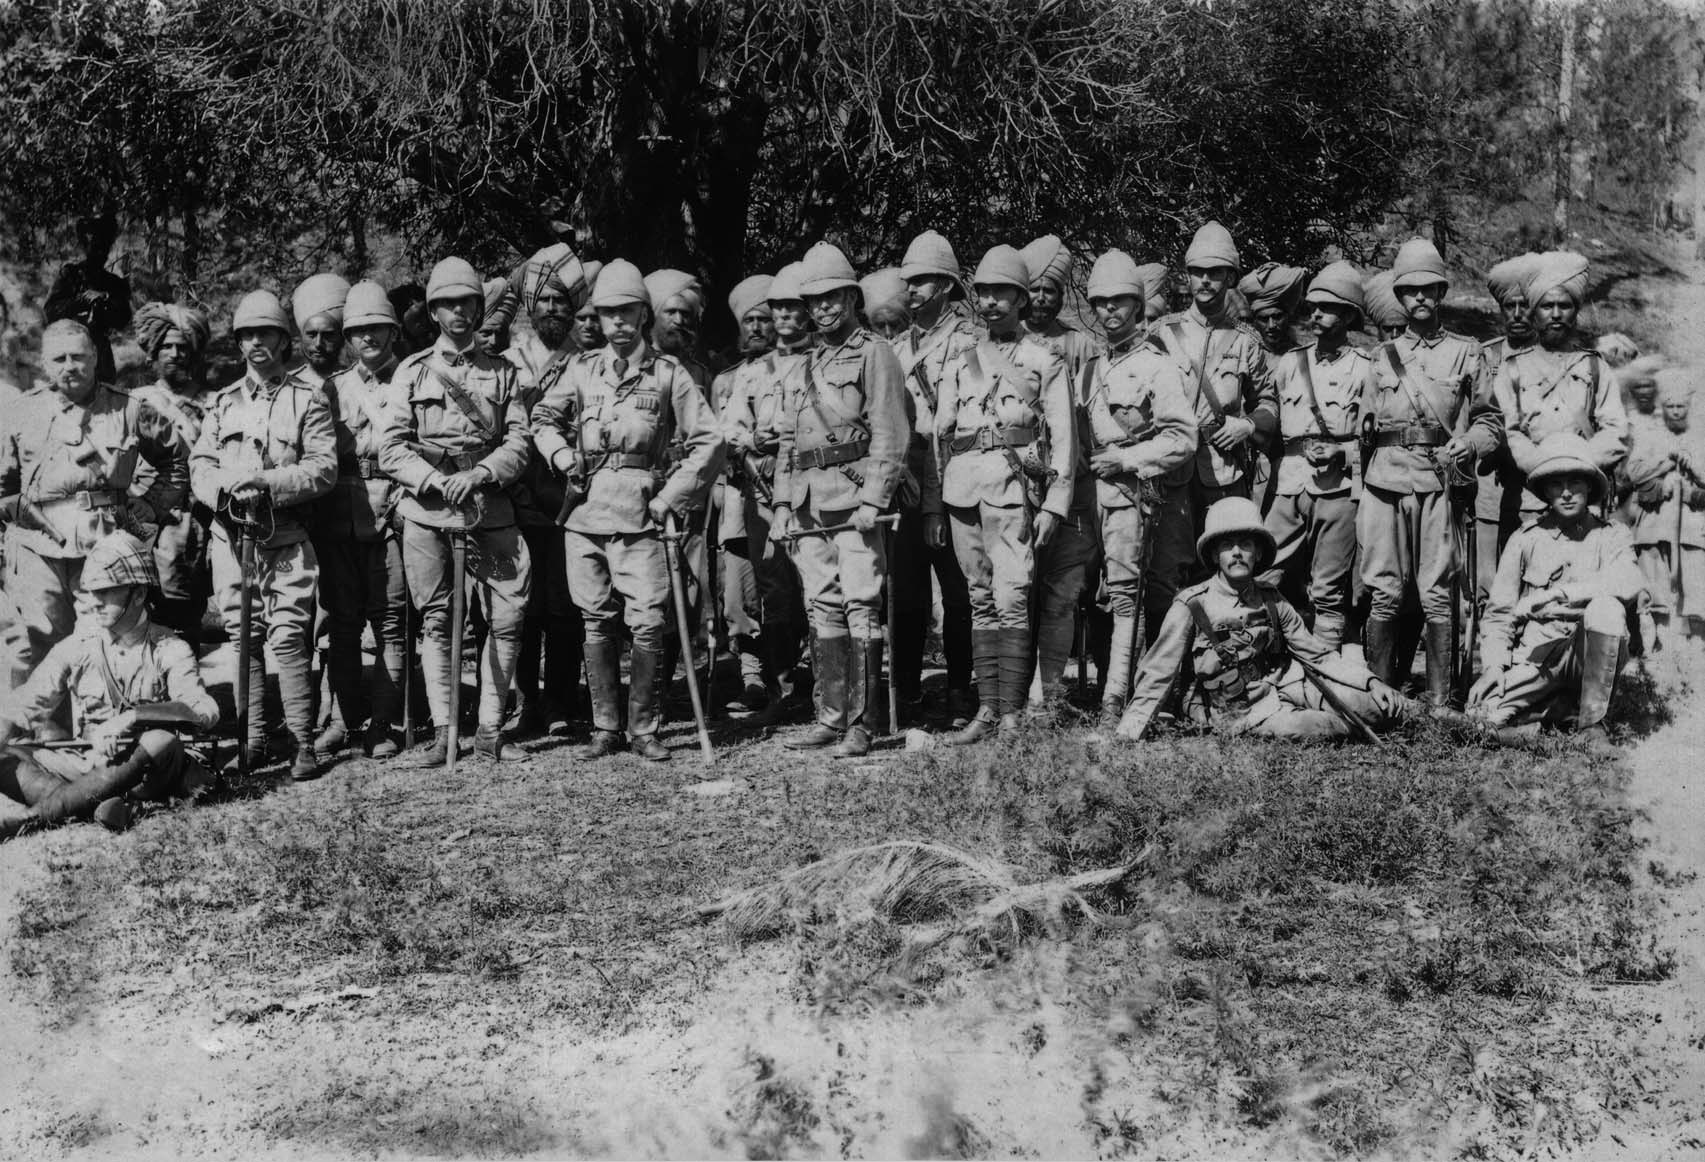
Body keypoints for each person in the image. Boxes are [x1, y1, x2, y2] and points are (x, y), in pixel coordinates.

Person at [531, 260, 723, 761]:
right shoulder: (580, 368)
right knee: (595, 619)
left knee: (645, 621)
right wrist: (560, 455)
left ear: (643, 315)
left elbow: (708, 440)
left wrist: (670, 497)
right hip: (587, 512)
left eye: (626, 312)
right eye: (607, 313)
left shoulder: (668, 373)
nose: (616, 322)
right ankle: (605, 728)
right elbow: (543, 418)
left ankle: (645, 729)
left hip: (642, 513)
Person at [379, 258, 534, 765]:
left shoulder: (504, 372)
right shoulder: (412, 370)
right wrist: (435, 481)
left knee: (507, 616)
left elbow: (519, 439)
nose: (459, 312)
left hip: (490, 508)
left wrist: (482, 474)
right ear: (433, 312)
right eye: (447, 303)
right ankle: (446, 731)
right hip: (428, 511)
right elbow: (391, 448)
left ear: (478, 306)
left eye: (467, 301)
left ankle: (490, 729)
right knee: (438, 619)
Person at [1115, 497, 1409, 741]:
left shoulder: (1271, 598)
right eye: (1227, 545)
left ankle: (1431, 717)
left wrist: (1371, 682)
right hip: (1233, 706)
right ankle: (1351, 728)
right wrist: (1129, 731)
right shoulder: (1192, 604)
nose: (1237, 553)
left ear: (1258, 553)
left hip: (1287, 684)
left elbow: (1318, 655)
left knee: (1375, 706)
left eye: (1245, 544)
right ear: (1215, 555)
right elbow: (1158, 671)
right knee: (1314, 727)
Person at [191, 291, 336, 780]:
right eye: (246, 335)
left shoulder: (307, 397)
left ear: (282, 340)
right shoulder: (222, 402)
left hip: (285, 534)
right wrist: (224, 492)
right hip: (232, 538)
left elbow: (323, 468)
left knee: (290, 636)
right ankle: (251, 741)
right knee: (243, 637)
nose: (256, 344)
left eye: (265, 334)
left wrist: (268, 483)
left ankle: (302, 743)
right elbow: (200, 464)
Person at [770, 242, 908, 757]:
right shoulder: (802, 367)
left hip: (855, 501)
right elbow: (788, 444)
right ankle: (829, 716)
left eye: (834, 298)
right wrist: (783, 506)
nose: (824, 308)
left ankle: (863, 722)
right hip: (809, 502)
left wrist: (875, 497)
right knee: (822, 606)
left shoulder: (876, 354)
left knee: (860, 606)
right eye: (816, 301)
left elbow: (890, 432)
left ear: (853, 299)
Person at [935, 245, 1075, 742]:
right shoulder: (959, 359)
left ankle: (1012, 714)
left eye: (1002, 294)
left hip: (1015, 493)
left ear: (1021, 299)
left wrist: (1055, 505)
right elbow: (942, 433)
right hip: (963, 492)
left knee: (1012, 597)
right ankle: (987, 711)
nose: (991, 302)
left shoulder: (1044, 360)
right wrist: (939, 500)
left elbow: (1063, 441)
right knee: (979, 599)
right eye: (984, 293)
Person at [2, 320, 187, 686]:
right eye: (59, 358)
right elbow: (4, 486)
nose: (69, 366)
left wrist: (149, 509)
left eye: (78, 356)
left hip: (105, 538)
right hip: (38, 544)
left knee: (108, 636)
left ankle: (101, 732)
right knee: (40, 639)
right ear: (43, 364)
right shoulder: (20, 413)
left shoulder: (130, 409)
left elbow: (176, 460)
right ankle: (49, 737)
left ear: (96, 357)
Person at [0, 531, 219, 839]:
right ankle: (99, 806)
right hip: (89, 765)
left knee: (161, 741)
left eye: (106, 592)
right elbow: (28, 702)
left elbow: (203, 710)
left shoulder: (169, 647)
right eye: (90, 592)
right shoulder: (77, 646)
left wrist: (132, 718)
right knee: (6, 753)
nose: (94, 602)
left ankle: (35, 818)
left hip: (143, 771)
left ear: (139, 594)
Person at [1359, 238, 1500, 712]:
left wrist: (1472, 443)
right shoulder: (1379, 357)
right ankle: (1379, 702)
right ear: (1399, 297)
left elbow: (1489, 419)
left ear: (1441, 293)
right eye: (1410, 291)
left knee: (1438, 592)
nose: (1419, 298)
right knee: (1384, 590)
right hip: (1384, 483)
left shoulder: (1467, 352)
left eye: (1428, 289)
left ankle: (1440, 705)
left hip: (1439, 483)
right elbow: (1365, 428)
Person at [1081, 249, 1197, 720]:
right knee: (1100, 592)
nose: (1111, 311)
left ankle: (1119, 697)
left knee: (1131, 595)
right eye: (1102, 303)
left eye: (1120, 302)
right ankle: (1112, 687)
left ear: (1136, 304)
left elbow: (1183, 438)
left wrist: (1127, 459)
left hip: (1137, 495)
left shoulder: (1157, 365)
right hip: (1094, 500)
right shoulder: (1090, 368)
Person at [1470, 434, 1644, 738]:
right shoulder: (1525, 539)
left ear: (1589, 486)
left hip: (1587, 654)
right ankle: (1559, 709)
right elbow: (1499, 613)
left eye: (1575, 482)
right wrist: (1495, 666)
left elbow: (1628, 581)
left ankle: (1592, 725)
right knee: (1480, 716)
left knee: (1607, 607)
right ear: (1545, 492)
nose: (1566, 493)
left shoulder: (1612, 535)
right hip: (1538, 655)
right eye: (1556, 484)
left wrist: (1559, 593)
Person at [1148, 221, 1280, 609]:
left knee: (1221, 568)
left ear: (1230, 278)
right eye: (1197, 272)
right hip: (1168, 470)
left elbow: (1269, 401)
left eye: (1216, 273)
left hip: (1222, 471)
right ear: (1186, 277)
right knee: (1164, 570)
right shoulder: (1161, 333)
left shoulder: (1246, 342)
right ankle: (1166, 664)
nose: (1205, 280)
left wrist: (1247, 425)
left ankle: (1218, 662)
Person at [313, 281, 408, 758]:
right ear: (349, 337)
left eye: (377, 328)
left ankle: (385, 725)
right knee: (343, 625)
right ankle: (346, 722)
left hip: (394, 511)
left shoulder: (412, 378)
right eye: (359, 331)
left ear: (392, 331)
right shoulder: (333, 388)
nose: (368, 337)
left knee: (390, 623)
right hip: (341, 515)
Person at [505, 244, 592, 738]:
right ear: (529, 307)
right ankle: (525, 702)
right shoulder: (506, 361)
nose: (554, 309)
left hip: (570, 497)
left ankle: (561, 701)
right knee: (521, 605)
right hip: (516, 495)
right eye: (545, 301)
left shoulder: (587, 361)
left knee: (564, 604)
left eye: (563, 301)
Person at [1260, 262, 1370, 649]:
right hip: (1289, 483)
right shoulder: (1290, 363)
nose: (1316, 315)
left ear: (1348, 316)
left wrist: (1343, 451)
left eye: (1327, 308)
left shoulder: (1365, 369)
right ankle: (1266, 657)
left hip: (1338, 489)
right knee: (1263, 571)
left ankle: (1326, 667)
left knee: (1328, 586)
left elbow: (1375, 440)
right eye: (1313, 308)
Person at [891, 230, 976, 725]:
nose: (913, 289)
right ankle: (904, 690)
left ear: (946, 285)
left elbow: (955, 426)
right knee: (906, 594)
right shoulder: (897, 347)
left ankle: (962, 689)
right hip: (903, 478)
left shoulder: (967, 343)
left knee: (959, 592)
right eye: (910, 281)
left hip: (950, 475)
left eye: (924, 280)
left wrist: (936, 504)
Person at [1489, 251, 1628, 546]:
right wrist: (1541, 466)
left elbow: (1616, 430)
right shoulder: (1512, 369)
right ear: (1534, 313)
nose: (1555, 314)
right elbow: (1508, 430)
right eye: (1546, 306)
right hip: (1528, 499)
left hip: (1583, 498)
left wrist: (1580, 466)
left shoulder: (1594, 366)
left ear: (1575, 312)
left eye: (1564, 306)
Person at [722, 264, 812, 722]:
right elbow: (733, 431)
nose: (783, 316)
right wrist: (754, 453)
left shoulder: (823, 363)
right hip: (762, 490)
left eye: (793, 307)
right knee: (774, 589)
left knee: (818, 589)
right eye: (777, 308)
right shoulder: (753, 374)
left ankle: (825, 691)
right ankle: (781, 692)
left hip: (816, 488)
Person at [1017, 235, 1099, 718]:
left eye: (1053, 290)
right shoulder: (1002, 345)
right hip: (1015, 486)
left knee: (1063, 593)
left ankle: (1049, 694)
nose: (1043, 299)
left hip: (1073, 484)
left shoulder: (1083, 345)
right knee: (1014, 590)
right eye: (1036, 290)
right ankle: (1010, 690)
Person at [712, 274, 780, 714]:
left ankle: (784, 679)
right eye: (749, 321)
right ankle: (752, 676)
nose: (756, 328)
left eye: (764, 319)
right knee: (739, 594)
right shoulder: (725, 382)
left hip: (783, 493)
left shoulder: (795, 368)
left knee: (782, 588)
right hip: (738, 496)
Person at [130, 303, 216, 647]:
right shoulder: (136, 401)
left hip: (197, 520)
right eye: (167, 346)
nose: (176, 354)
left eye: (183, 346)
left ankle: (190, 694)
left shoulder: (213, 402)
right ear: (153, 351)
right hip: (148, 519)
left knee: (186, 614)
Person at [1473, 253, 1542, 605]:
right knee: (1486, 581)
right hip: (1490, 486)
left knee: (1534, 578)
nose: (1516, 314)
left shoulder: (1553, 359)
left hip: (1536, 489)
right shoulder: (1484, 357)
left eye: (1525, 306)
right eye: (1509, 306)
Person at [1626, 369, 1704, 640]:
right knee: (1656, 590)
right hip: (1654, 523)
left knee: (1695, 591)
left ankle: (1695, 652)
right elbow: (1633, 473)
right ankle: (1657, 649)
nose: (1675, 411)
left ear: (1689, 406)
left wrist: (1692, 466)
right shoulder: (1650, 436)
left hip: (1692, 527)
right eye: (1669, 406)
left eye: (1680, 406)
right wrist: (1666, 463)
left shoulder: (1699, 436)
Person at [44, 214, 132, 384]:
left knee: (106, 398)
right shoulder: (70, 275)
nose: (101, 252)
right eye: (95, 246)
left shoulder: (114, 283)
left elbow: (123, 318)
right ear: (85, 245)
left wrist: (105, 298)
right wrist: (82, 300)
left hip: (101, 353)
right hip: (70, 348)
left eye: (105, 247)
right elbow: (50, 312)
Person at [290, 274, 351, 388]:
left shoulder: (356, 383)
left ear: (342, 337)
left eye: (328, 335)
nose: (318, 344)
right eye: (311, 335)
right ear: (302, 336)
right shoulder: (289, 385)